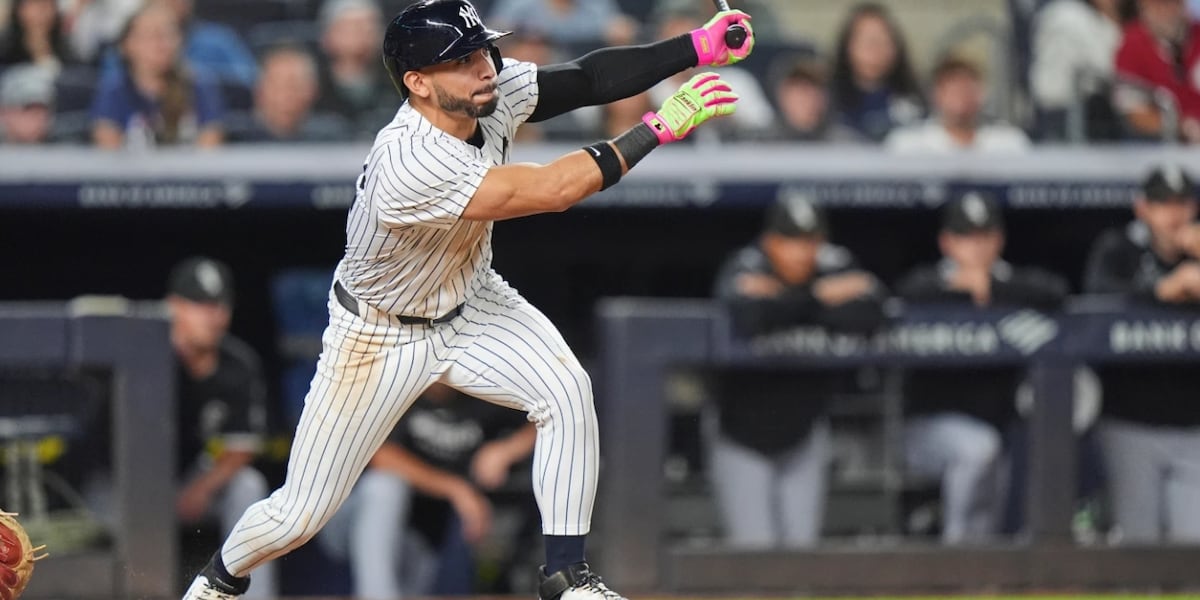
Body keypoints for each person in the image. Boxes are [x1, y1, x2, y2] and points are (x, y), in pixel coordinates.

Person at [179, 1, 749, 599]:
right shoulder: (411, 158)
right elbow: (553, 189)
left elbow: (586, 79)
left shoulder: (486, 89)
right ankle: (218, 582)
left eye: (480, 51)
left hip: (472, 301)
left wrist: (698, 47)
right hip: (378, 335)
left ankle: (565, 576)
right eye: (460, 60)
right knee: (300, 514)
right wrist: (660, 126)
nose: (482, 67)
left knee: (568, 391)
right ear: (417, 83)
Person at [710, 195, 887, 548]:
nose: (801, 252)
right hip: (741, 433)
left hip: (805, 432)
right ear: (770, 242)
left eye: (809, 241)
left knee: (800, 559)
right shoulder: (745, 262)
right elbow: (750, 318)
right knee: (754, 556)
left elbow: (873, 312)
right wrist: (820, 296)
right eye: (790, 241)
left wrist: (788, 298)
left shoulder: (834, 261)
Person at [896, 192, 1069, 544]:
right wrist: (960, 292)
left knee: (992, 501)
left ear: (998, 239)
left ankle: (980, 578)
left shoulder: (1013, 284)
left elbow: (1056, 291)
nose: (975, 247)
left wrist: (991, 289)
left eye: (983, 236)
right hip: (925, 429)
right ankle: (959, 557)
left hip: (999, 426)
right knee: (978, 448)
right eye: (965, 237)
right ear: (946, 241)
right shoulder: (928, 284)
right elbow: (907, 292)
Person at [318, 383, 537, 599]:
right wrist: (457, 489)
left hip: (421, 533)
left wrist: (507, 450)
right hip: (351, 520)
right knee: (386, 485)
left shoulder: (481, 392)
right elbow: (380, 456)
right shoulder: (395, 386)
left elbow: (545, 415)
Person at [1083, 163, 1200, 542]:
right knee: (1137, 544)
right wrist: (1161, 292)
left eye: (1182, 203)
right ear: (1143, 208)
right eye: (1163, 203)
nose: (1174, 213)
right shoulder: (1119, 248)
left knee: (1192, 548)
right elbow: (1094, 298)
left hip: (1193, 423)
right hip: (1130, 420)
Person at [165, 257, 277, 598]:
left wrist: (200, 487)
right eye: (200, 304)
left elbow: (243, 446)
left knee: (249, 485)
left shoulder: (238, 363)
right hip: (134, 484)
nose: (213, 315)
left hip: (197, 481)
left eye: (220, 305)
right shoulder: (145, 355)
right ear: (174, 307)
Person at [89, 2, 224, 149]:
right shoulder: (114, 89)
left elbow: (210, 150)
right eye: (152, 35)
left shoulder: (199, 85)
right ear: (127, 44)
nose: (163, 44)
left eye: (169, 35)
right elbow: (108, 152)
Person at [884, 57, 1032, 154]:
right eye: (953, 89)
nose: (962, 95)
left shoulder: (1009, 142)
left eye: (968, 87)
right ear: (936, 95)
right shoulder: (907, 145)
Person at [828, 2, 925, 143]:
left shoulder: (916, 101)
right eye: (867, 40)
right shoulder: (826, 102)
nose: (875, 48)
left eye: (882, 39)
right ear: (847, 46)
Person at [1029, 0, 1125, 141]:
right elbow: (1106, 65)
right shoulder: (1068, 14)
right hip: (1062, 111)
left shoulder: (1091, 17)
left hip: (1075, 109)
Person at [1112, 0, 1200, 141]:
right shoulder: (1132, 45)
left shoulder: (1197, 34)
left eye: (1171, 3)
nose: (1165, 11)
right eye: (1156, 5)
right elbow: (1135, 111)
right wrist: (1182, 127)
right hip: (1158, 144)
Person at [226, 45, 349, 143]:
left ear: (313, 90)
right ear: (259, 90)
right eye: (277, 84)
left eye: (295, 85)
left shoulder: (332, 136)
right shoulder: (234, 136)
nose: (286, 94)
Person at [313, 0, 397, 140]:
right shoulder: (312, 88)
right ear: (327, 35)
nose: (363, 34)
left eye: (370, 26)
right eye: (353, 27)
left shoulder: (398, 84)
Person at [488, 0, 637, 47]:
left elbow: (619, 29)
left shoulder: (595, 4)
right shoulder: (520, 4)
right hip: (534, 68)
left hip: (585, 68)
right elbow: (495, 31)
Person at [0, 0, 73, 70]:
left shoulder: (65, 49)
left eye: (48, 5)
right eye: (35, 3)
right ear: (20, 10)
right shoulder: (5, 50)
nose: (42, 11)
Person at [0, 63, 54, 143]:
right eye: (29, 108)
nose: (41, 118)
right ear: (4, 111)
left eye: (44, 109)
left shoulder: (66, 149)